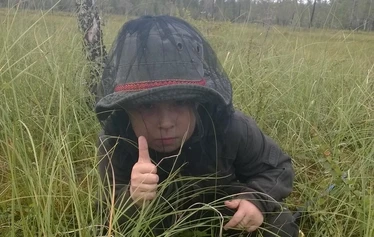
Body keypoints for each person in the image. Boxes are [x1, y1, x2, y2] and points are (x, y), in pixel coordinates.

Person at [95, 15, 299, 237]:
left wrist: (256, 200)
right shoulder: (116, 140)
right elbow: (108, 211)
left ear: (197, 102)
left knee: (280, 224)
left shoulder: (228, 126)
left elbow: (278, 167)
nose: (165, 123)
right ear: (127, 109)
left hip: (222, 215)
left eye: (179, 103)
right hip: (156, 224)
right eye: (148, 106)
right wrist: (134, 197)